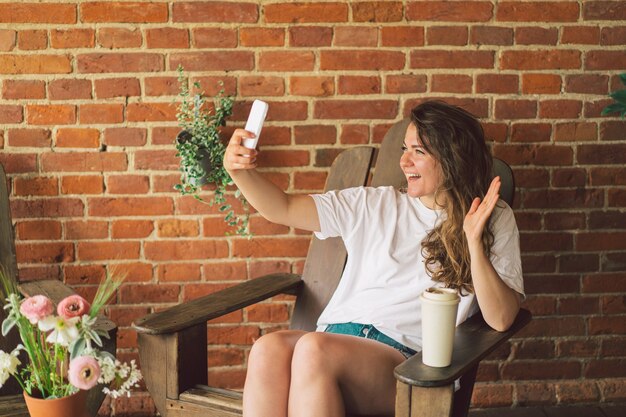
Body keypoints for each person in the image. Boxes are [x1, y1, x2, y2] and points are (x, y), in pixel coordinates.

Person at [223, 100, 524, 417]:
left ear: (452, 160)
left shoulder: (492, 218)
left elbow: (502, 318)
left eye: (418, 152)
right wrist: (239, 173)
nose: (404, 161)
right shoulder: (373, 204)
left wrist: (474, 242)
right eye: (405, 149)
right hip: (335, 341)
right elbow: (281, 208)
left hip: (407, 361)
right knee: (267, 349)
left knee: (313, 349)